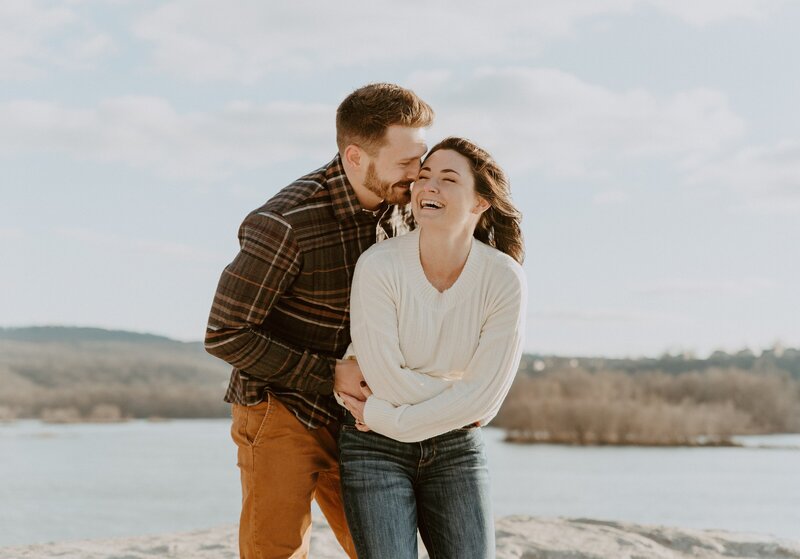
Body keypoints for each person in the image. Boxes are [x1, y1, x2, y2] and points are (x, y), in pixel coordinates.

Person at [204, 83, 433, 559]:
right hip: (281, 409)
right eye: (406, 162)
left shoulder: (404, 210)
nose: (418, 175)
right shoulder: (287, 221)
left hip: (363, 416)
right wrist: (329, 374)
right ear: (355, 156)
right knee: (277, 553)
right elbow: (225, 333)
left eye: (422, 158)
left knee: (384, 548)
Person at [337, 137, 527, 559]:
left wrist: (388, 415)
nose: (428, 187)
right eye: (424, 177)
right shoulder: (379, 265)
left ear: (480, 201)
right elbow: (385, 378)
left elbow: (486, 397)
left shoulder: (503, 277)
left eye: (447, 179)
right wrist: (458, 401)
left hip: (452, 450)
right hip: (375, 448)